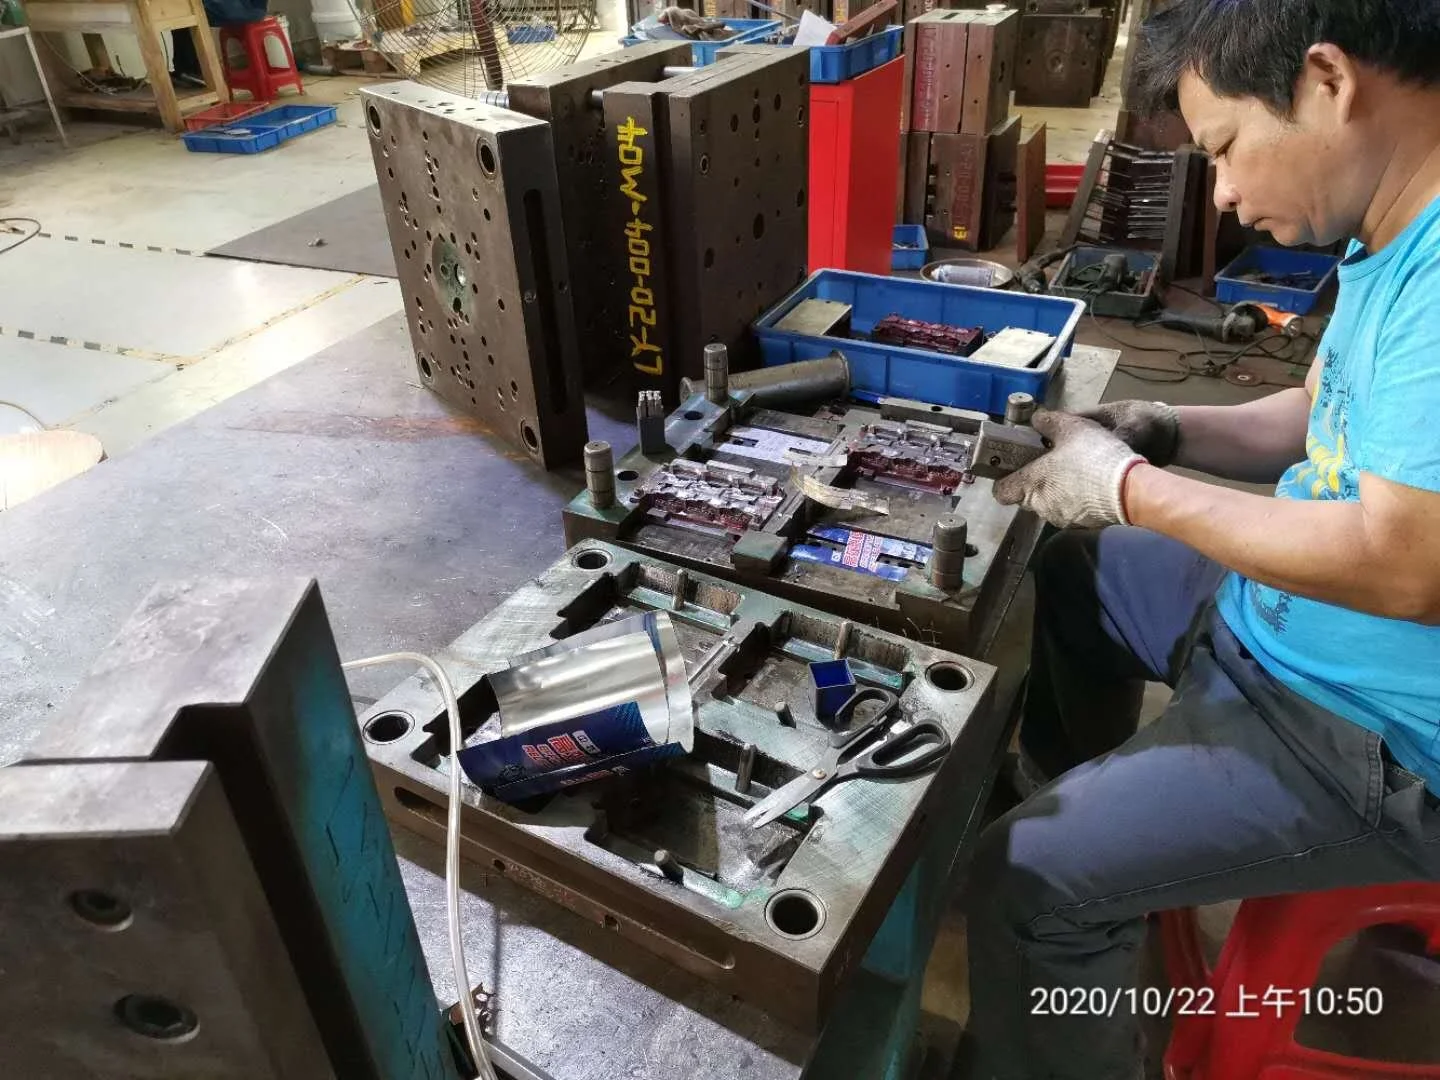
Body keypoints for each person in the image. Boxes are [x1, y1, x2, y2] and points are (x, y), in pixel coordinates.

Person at [963, 2, 1440, 1077]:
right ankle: (1086, 813)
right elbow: (1314, 421)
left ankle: (1063, 900)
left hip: (1374, 735)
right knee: (1072, 560)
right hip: (1280, 626)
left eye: (1224, 149)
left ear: (1327, 79)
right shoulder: (1394, 225)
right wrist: (1167, 430)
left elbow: (1405, 565)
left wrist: (1130, 487)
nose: (1220, 192)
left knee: (1021, 888)